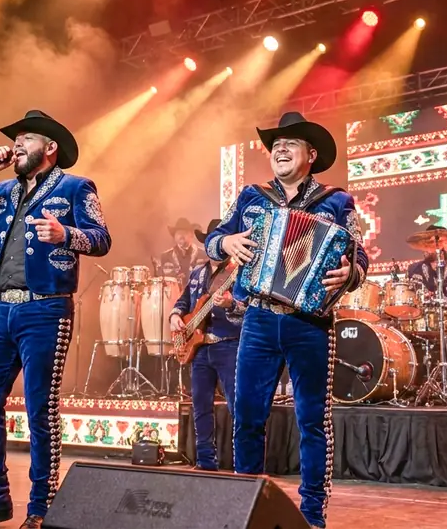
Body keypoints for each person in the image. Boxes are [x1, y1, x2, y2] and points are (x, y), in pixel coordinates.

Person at [204, 111, 368, 528]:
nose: (279, 148)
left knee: (313, 422)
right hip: (258, 319)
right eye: (275, 144)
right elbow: (212, 240)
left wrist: (351, 273)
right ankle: (247, 510)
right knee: (247, 418)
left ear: (310, 155)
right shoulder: (251, 196)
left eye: (289, 143)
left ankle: (312, 514)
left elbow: (360, 256)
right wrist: (226, 241)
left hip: (309, 322)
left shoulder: (336, 201)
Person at [0, 110, 111, 529]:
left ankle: (42, 506)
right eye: (14, 140)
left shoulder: (76, 187)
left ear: (49, 147)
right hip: (3, 306)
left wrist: (67, 235)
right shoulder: (3, 189)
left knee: (41, 407)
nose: (17, 145)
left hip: (47, 307)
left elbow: (102, 239)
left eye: (26, 139)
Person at [169, 219, 242, 471]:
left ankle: (241, 463)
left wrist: (231, 304)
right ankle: (205, 461)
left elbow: (251, 310)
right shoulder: (198, 272)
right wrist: (176, 316)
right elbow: (184, 300)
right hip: (200, 349)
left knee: (237, 405)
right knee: (200, 405)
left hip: (229, 345)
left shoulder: (238, 271)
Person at [406, 228, 447, 371]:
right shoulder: (413, 269)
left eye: (429, 245)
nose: (425, 249)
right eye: (424, 245)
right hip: (424, 321)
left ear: (441, 245)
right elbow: (409, 295)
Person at [155, 217, 207, 285]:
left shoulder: (203, 255)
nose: (181, 235)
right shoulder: (165, 257)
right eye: (179, 233)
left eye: (185, 233)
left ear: (191, 235)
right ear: (174, 236)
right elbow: (161, 281)